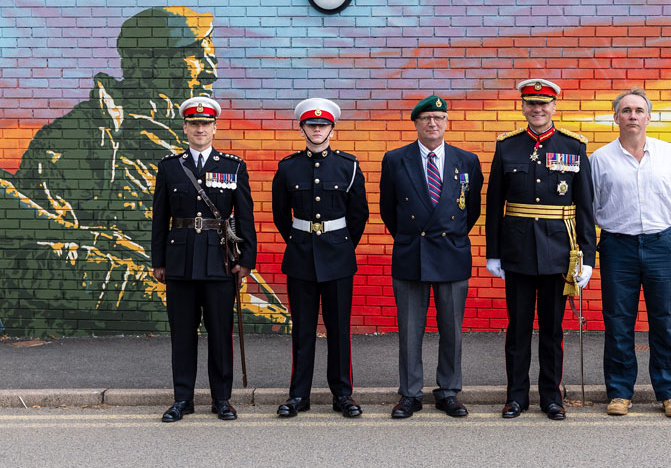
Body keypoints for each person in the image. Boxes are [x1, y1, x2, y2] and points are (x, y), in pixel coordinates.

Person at [0, 7, 289, 337]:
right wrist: (161, 298)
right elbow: (30, 260)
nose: (211, 71)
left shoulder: (183, 146)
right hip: (88, 347)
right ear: (151, 64)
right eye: (199, 56)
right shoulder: (83, 140)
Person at [485, 78, 595, 421]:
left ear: (554, 107)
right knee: (517, 329)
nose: (537, 109)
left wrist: (588, 258)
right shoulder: (507, 147)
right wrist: (493, 252)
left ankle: (551, 397)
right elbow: (493, 205)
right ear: (523, 107)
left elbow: (585, 206)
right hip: (517, 252)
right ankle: (516, 396)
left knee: (551, 330)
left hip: (558, 253)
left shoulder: (574, 146)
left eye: (544, 104)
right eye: (531, 104)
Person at [150, 95, 256, 422]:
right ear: (184, 127)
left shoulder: (232, 166)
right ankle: (183, 399)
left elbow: (246, 217)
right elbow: (159, 218)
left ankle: (221, 399)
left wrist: (246, 261)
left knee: (220, 334)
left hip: (219, 260)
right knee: (182, 334)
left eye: (206, 123)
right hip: (180, 261)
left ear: (214, 127)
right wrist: (158, 261)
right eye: (194, 123)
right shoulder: (170, 167)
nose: (200, 129)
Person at [379, 95, 483, 419]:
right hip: (412, 252)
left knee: (451, 328)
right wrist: (410, 238)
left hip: (451, 253)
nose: (432, 123)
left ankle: (449, 391)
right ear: (416, 123)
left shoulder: (467, 160)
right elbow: (388, 210)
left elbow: (472, 209)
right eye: (426, 118)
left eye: (439, 118)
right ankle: (410, 393)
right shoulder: (395, 159)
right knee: (410, 330)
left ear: (446, 122)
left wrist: (451, 236)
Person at [590, 87, 671, 418]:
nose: (632, 115)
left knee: (664, 320)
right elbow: (592, 206)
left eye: (638, 110)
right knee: (619, 321)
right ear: (615, 117)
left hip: (662, 244)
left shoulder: (670, 155)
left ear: (648, 117)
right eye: (625, 110)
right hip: (618, 246)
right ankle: (620, 392)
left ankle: (670, 393)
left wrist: (657, 230)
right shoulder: (599, 160)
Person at [272, 98, 369, 418]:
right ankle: (298, 395)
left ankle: (342, 393)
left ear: (332, 129)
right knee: (302, 329)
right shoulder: (287, 167)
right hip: (300, 255)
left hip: (338, 255)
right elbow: (280, 215)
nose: (317, 129)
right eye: (311, 125)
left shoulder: (348, 165)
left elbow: (358, 215)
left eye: (323, 125)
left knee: (339, 328)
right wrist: (299, 240)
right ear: (302, 128)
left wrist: (341, 244)